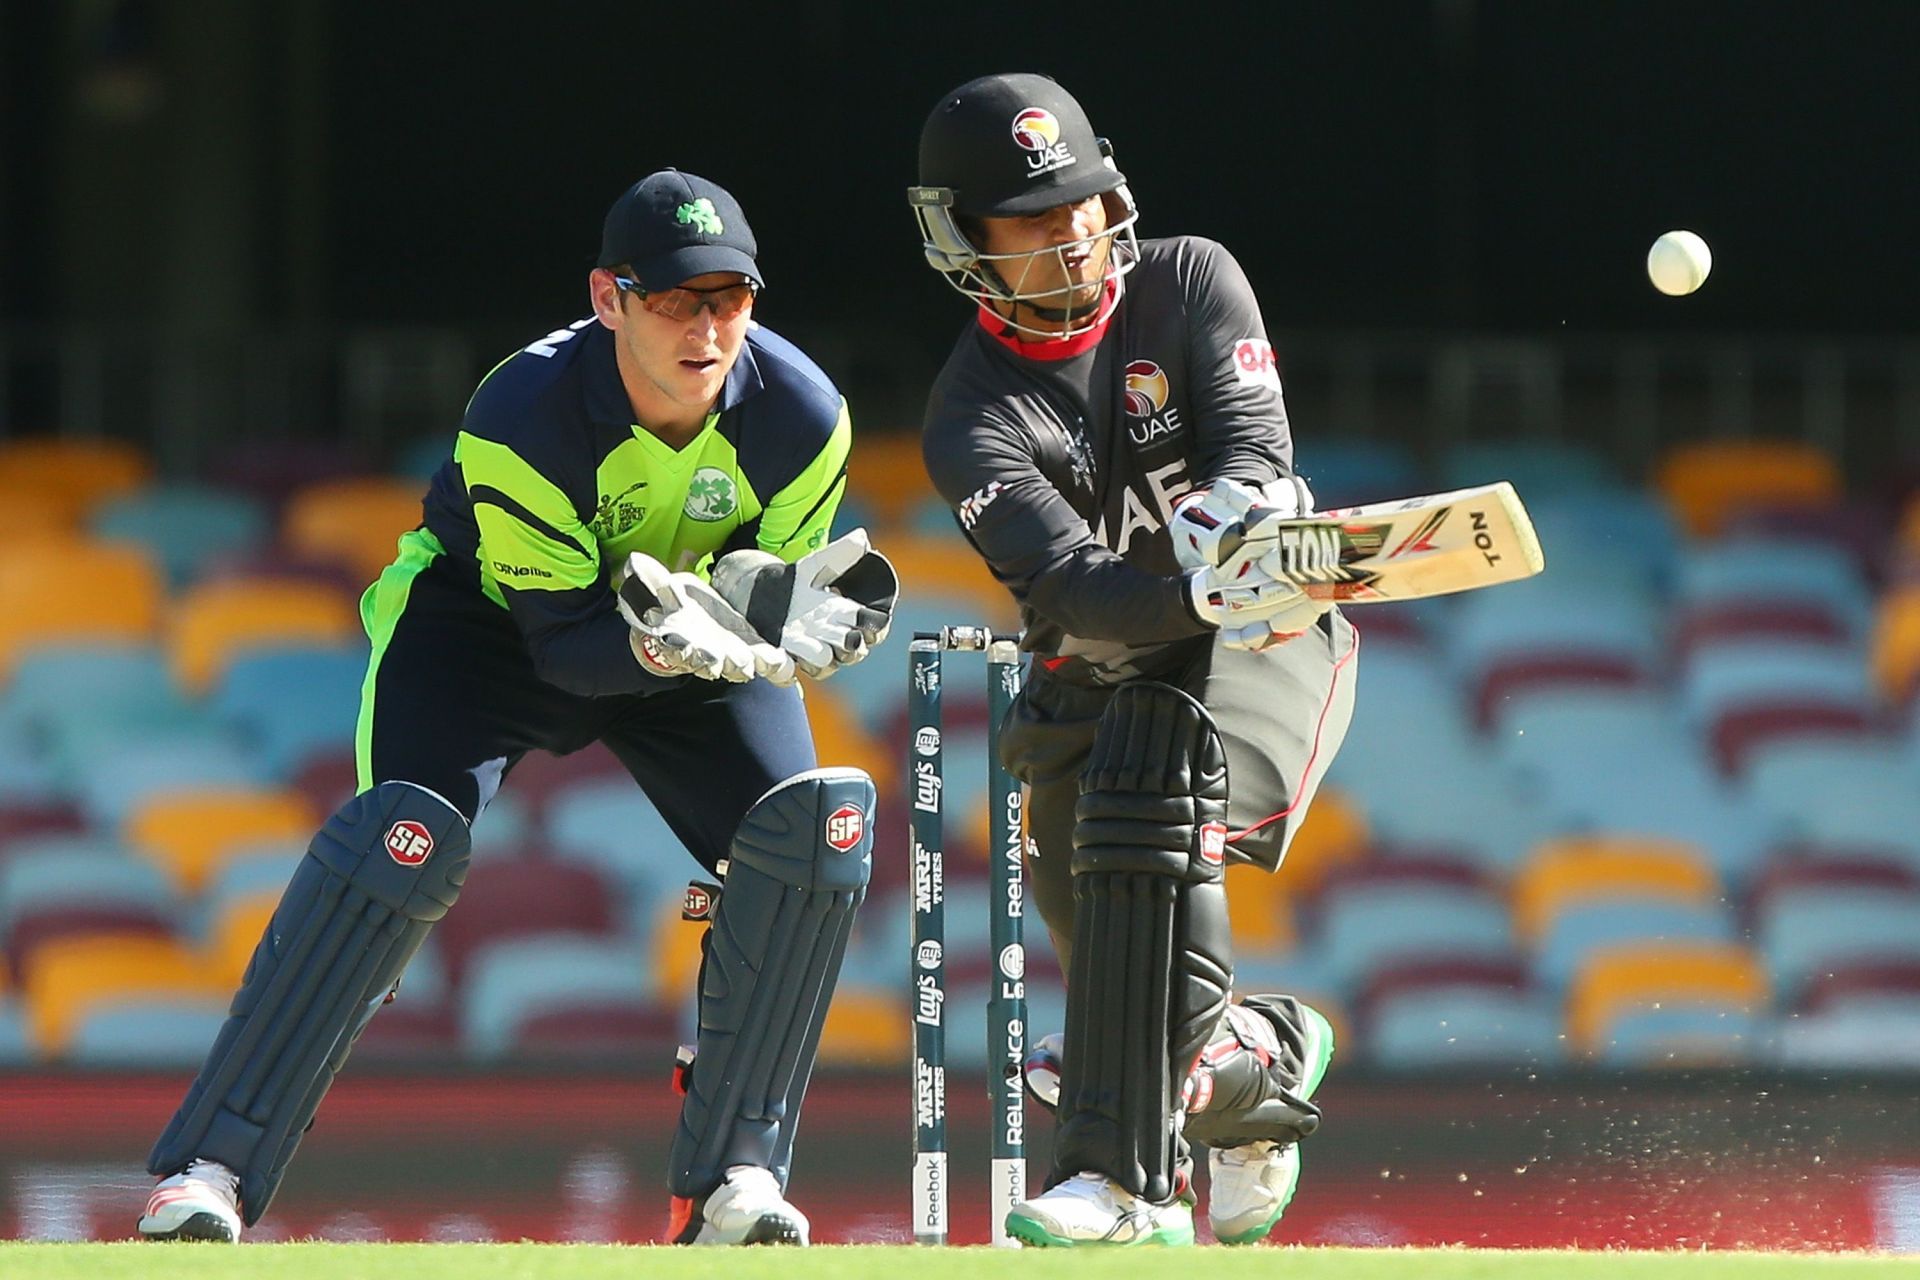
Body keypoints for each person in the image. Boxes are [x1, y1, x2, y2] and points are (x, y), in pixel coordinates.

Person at [138, 169, 897, 1247]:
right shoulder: (522, 411)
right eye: (678, 299)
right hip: (486, 631)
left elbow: (759, 593)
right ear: (609, 298)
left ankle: (734, 1181)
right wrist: (671, 633)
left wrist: (760, 622)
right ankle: (205, 1171)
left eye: (730, 298)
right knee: (397, 846)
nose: (708, 327)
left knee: (811, 835)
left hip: (691, 635)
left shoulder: (806, 417)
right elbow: (568, 651)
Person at [911, 74, 1359, 1247]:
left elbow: (1257, 441)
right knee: (1133, 978)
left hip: (1263, 640)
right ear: (965, 238)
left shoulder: (1190, 275)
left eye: (1083, 201)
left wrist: (1238, 507)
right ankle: (1257, 1060)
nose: (1073, 231)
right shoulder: (971, 416)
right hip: (1095, 670)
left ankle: (1119, 1180)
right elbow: (1068, 591)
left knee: (1159, 787)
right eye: (1033, 216)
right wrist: (1184, 584)